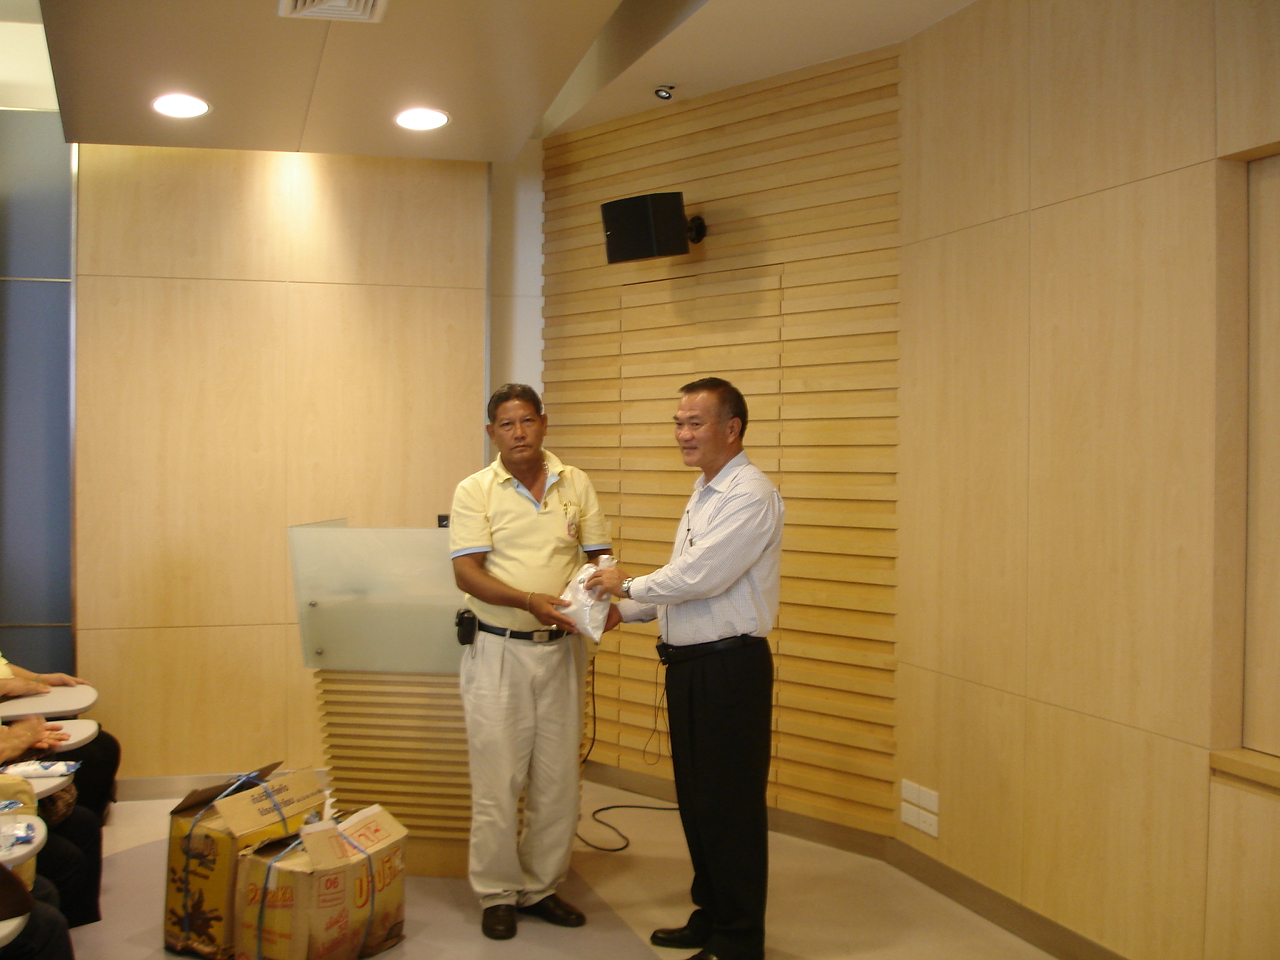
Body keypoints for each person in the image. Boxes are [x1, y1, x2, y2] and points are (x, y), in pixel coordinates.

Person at [588, 377, 783, 960]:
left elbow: (701, 577)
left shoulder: (751, 494)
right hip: (692, 668)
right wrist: (622, 612)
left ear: (732, 428)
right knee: (699, 802)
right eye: (678, 423)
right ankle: (713, 914)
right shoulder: (704, 492)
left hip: (730, 671)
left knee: (730, 807)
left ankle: (738, 940)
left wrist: (624, 584)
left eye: (695, 423)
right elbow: (684, 585)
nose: (682, 434)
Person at [449, 383, 612, 941]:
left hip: (562, 650)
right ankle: (497, 893)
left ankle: (541, 887)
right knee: (499, 781)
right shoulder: (476, 490)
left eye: (527, 421)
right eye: (506, 424)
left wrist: (601, 595)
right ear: (491, 432)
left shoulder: (576, 482)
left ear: (543, 423)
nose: (518, 433)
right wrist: (527, 601)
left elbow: (599, 556)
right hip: (498, 649)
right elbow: (466, 572)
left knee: (558, 779)